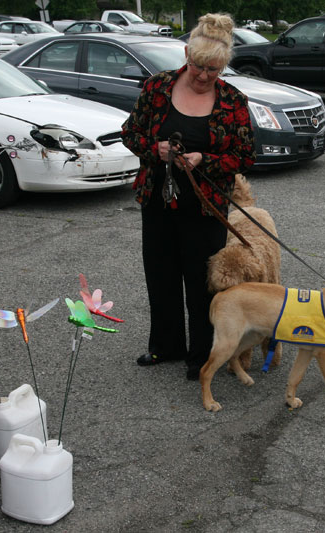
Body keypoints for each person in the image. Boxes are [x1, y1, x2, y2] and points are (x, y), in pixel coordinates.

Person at [121, 13, 256, 381]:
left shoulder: (232, 100)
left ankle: (204, 355)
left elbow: (246, 155)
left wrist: (204, 160)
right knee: (160, 276)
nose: (203, 76)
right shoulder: (157, 88)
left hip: (206, 207)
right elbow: (130, 134)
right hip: (158, 201)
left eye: (213, 70)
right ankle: (165, 346)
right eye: (198, 66)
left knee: (203, 283)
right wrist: (156, 149)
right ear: (186, 55)